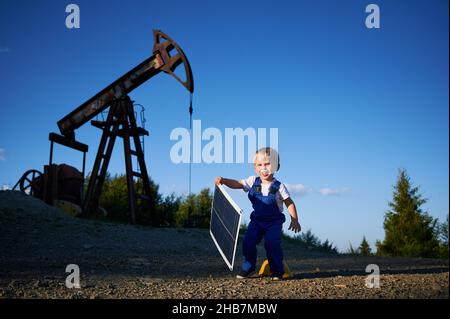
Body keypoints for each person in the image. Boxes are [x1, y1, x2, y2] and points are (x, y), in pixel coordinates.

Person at [214, 147, 301, 280]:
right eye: (259, 165)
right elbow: (237, 184)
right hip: (257, 221)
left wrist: (294, 219)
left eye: (267, 164)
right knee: (248, 241)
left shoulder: (279, 186)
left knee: (272, 243)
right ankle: (248, 267)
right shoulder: (252, 181)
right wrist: (225, 181)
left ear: (276, 166)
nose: (264, 168)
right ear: (255, 168)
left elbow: (289, 202)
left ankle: (277, 271)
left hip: (273, 222)